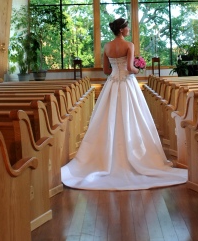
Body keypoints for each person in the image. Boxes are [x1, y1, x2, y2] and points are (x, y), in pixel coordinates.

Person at [61, 18, 188, 190]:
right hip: (127, 84)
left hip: (112, 84)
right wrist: (139, 68)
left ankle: (102, 159)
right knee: (133, 116)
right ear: (121, 30)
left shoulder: (107, 46)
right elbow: (129, 68)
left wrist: (118, 70)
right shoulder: (129, 45)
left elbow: (106, 70)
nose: (129, 29)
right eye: (127, 27)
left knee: (107, 118)